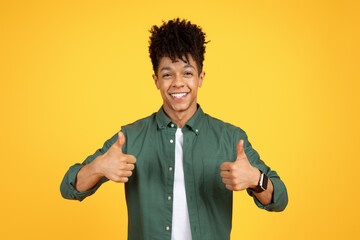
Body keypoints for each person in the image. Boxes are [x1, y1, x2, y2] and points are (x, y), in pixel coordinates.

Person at [60, 18, 288, 240]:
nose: (178, 83)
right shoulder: (129, 137)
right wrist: (97, 167)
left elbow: (280, 198)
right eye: (167, 74)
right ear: (156, 80)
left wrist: (256, 179)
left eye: (187, 73)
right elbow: (69, 187)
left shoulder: (230, 138)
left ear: (200, 77)